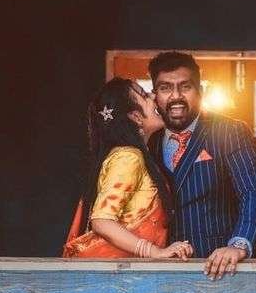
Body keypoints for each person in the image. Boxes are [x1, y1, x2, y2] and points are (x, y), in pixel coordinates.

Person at [147, 51, 256, 280]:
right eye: (165, 88)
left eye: (185, 87)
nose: (176, 96)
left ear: (200, 91)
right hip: (165, 271)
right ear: (155, 95)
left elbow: (254, 193)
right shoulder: (150, 142)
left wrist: (238, 245)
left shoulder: (228, 131)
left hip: (223, 270)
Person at [63, 78, 193, 261]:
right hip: (119, 272)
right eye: (144, 95)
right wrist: (154, 252)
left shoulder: (132, 155)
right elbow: (102, 221)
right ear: (136, 117)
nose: (153, 96)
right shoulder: (128, 157)